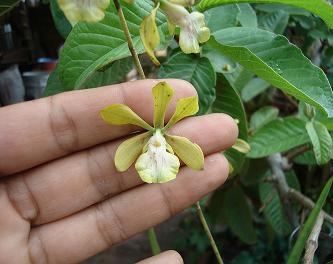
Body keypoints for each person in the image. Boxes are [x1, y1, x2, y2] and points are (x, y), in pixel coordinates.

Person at [0, 79, 238, 263]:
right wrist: (157, 142)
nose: (156, 147)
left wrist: (159, 143)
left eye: (158, 145)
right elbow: (122, 160)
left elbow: (195, 159)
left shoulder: (172, 141)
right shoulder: (141, 142)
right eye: (156, 145)